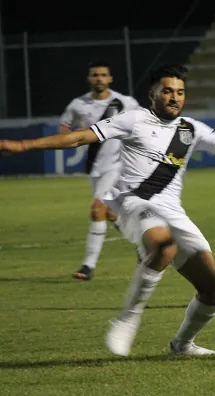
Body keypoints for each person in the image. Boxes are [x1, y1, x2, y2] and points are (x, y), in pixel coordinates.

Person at [0, 64, 215, 356]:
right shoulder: (134, 119)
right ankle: (128, 317)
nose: (175, 97)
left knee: (214, 290)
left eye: (180, 92)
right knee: (164, 246)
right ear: (152, 94)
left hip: (173, 212)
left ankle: (181, 345)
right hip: (133, 202)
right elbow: (78, 137)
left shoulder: (191, 128)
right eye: (167, 91)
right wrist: (24, 145)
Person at [61, 60, 139, 281]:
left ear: (110, 79)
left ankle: (88, 266)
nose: (99, 78)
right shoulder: (78, 105)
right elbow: (64, 126)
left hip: (119, 165)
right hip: (96, 167)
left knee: (97, 208)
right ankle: (143, 243)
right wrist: (69, 138)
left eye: (103, 75)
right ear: (89, 79)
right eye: (95, 75)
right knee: (109, 213)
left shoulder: (125, 102)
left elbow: (145, 122)